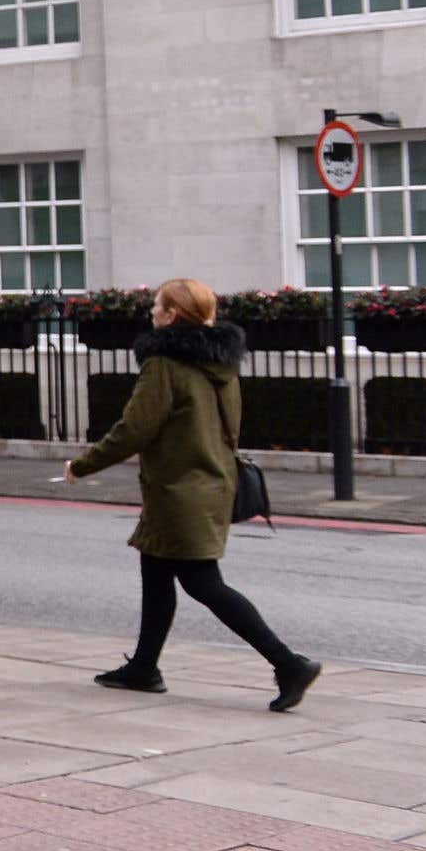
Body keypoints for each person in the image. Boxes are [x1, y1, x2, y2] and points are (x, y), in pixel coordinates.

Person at [53, 276, 322, 712]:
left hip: (181, 491)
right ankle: (143, 667)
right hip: (208, 483)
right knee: (156, 573)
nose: (152, 312)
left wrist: (81, 466)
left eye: (157, 306)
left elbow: (134, 429)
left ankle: (288, 663)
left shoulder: (164, 364)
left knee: (204, 583)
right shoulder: (222, 364)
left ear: (172, 315)